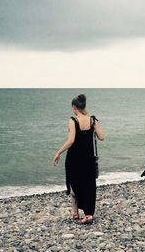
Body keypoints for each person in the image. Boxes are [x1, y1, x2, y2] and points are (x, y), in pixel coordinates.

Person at [52, 94, 104, 224]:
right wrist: (94, 127)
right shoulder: (93, 120)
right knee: (89, 184)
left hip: (74, 158)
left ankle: (81, 214)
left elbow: (71, 141)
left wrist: (58, 152)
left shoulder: (73, 120)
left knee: (73, 182)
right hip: (89, 158)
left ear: (74, 107)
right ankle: (82, 213)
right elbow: (102, 137)